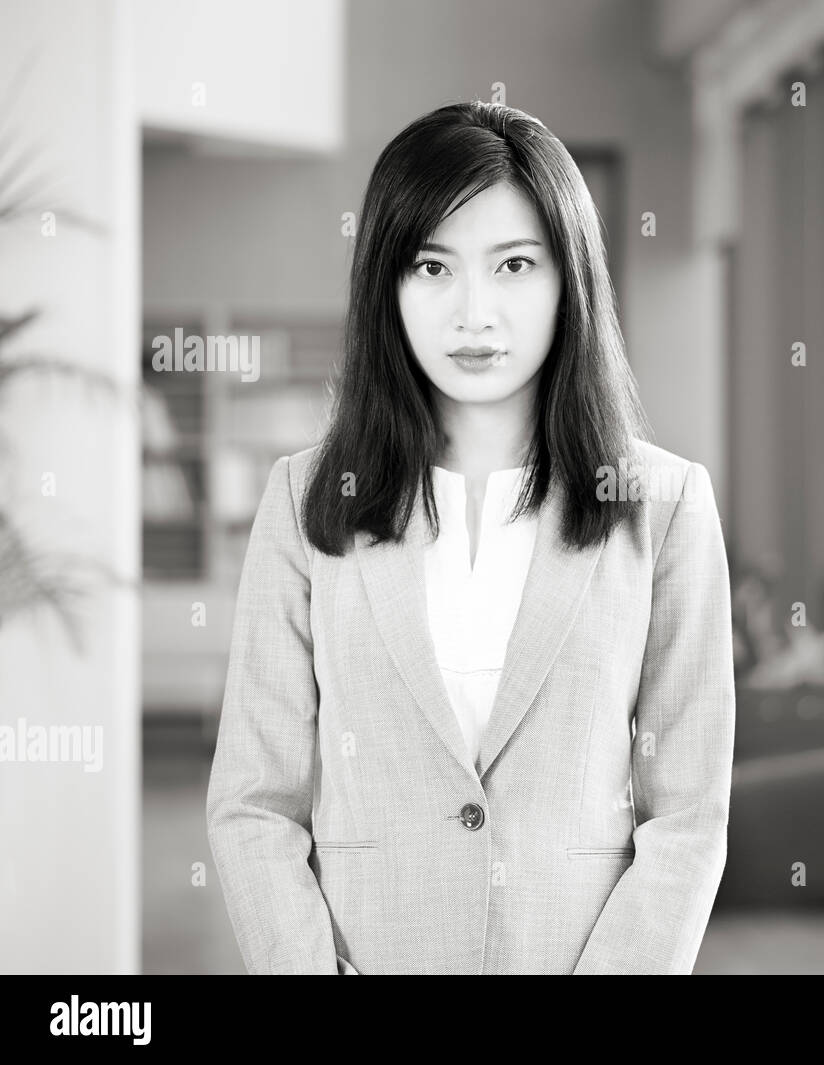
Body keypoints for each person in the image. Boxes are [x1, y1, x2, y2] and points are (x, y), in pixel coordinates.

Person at [205, 100, 736, 975]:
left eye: (515, 265)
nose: (473, 312)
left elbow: (687, 815)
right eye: (432, 267)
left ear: (572, 280)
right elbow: (255, 802)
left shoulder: (665, 505)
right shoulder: (304, 503)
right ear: (388, 285)